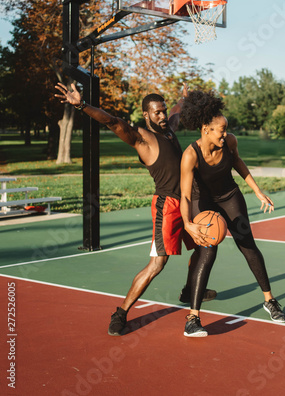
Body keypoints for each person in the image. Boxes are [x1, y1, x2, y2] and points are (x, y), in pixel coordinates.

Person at [54, 82, 215, 336]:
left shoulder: (169, 129)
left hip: (185, 201)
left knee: (202, 248)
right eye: (157, 112)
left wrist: (184, 100)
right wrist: (82, 105)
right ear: (146, 115)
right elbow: (112, 122)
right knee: (157, 264)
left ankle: (188, 290)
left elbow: (176, 113)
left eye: (163, 110)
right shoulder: (142, 138)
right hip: (167, 206)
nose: (163, 116)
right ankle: (121, 312)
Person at [179, 90, 285, 337]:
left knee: (248, 245)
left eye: (226, 129)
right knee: (207, 253)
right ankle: (193, 319)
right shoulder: (190, 155)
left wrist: (257, 191)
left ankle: (269, 301)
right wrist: (187, 223)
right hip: (202, 202)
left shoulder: (229, 142)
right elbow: (185, 195)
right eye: (221, 129)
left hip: (229, 197)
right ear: (205, 128)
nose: (225, 134)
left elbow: (238, 163)